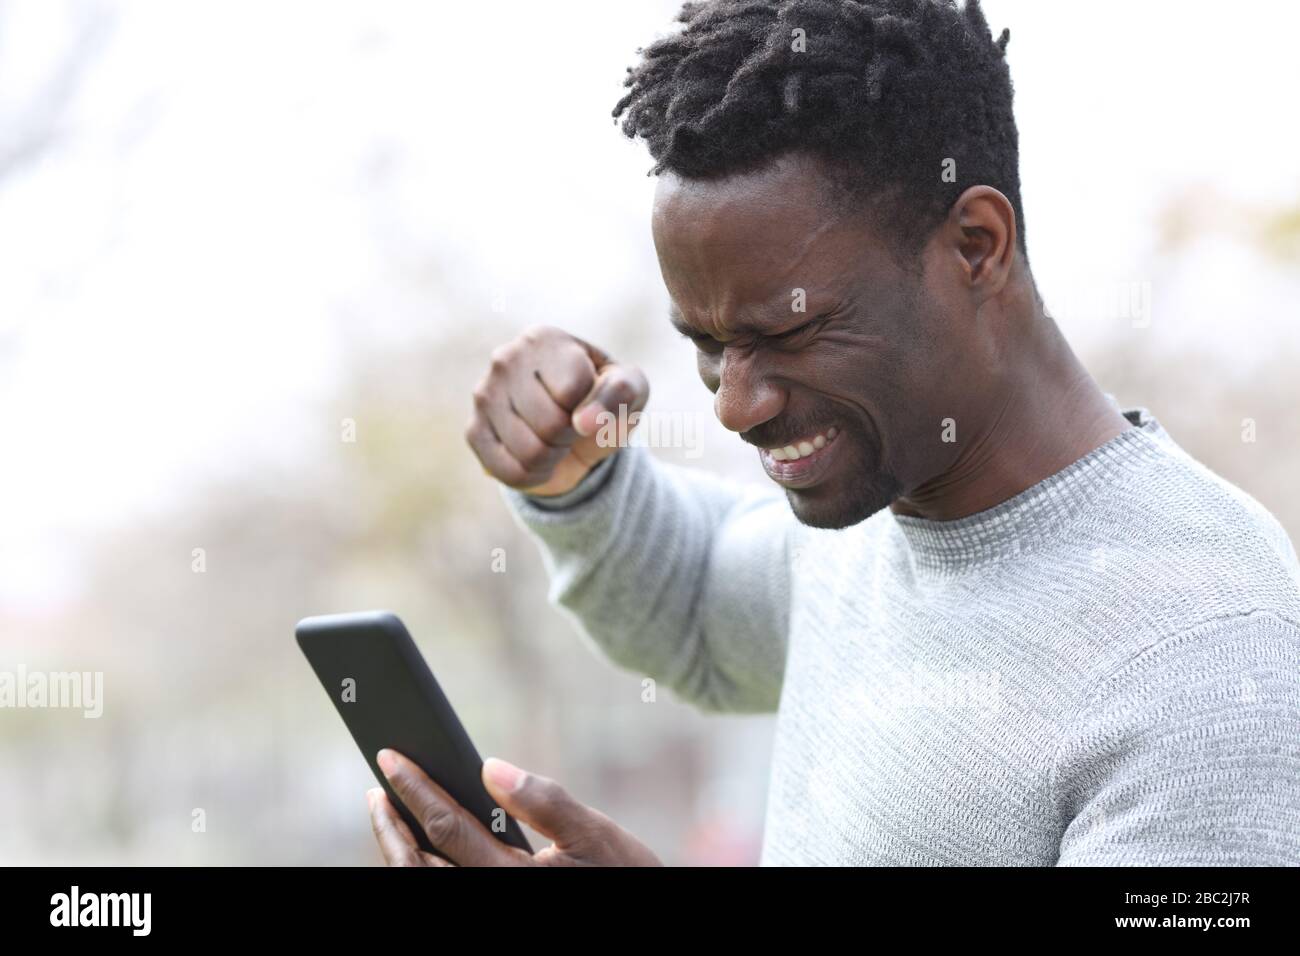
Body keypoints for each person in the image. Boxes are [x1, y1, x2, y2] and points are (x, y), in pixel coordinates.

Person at [368, 0, 1300, 866]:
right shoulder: (875, 509)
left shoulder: (1211, 657)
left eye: (791, 332)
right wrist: (576, 477)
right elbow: (693, 600)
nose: (736, 406)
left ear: (976, 246)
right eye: (708, 343)